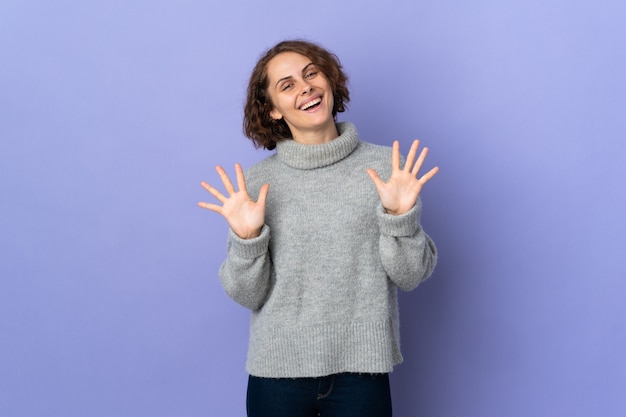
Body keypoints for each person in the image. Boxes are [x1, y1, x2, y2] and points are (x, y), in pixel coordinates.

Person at [198, 39, 439, 417]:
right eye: (287, 84)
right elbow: (247, 294)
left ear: (330, 81)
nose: (306, 86)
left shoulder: (388, 169)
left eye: (311, 73)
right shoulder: (258, 185)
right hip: (275, 376)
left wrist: (400, 219)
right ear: (273, 111)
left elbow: (410, 276)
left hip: (362, 373)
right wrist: (248, 241)